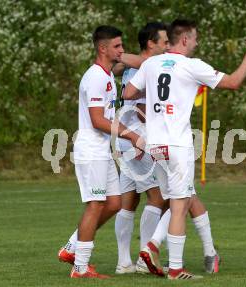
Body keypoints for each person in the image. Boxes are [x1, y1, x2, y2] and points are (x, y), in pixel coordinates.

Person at [123, 19, 246, 280]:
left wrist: (154, 101)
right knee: (180, 204)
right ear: (185, 39)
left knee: (179, 199)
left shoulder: (151, 64)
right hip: (178, 144)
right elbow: (233, 82)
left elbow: (129, 92)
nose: (197, 42)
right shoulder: (192, 66)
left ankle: (154, 245)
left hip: (155, 144)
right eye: (195, 38)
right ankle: (174, 267)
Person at [57, 25, 144, 279]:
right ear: (103, 48)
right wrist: (132, 135)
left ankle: (73, 246)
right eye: (117, 46)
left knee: (114, 203)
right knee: (95, 205)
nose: (121, 50)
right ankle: (80, 268)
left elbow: (107, 117)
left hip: (102, 149)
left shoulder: (107, 76)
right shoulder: (95, 77)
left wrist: (128, 140)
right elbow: (97, 120)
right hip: (91, 150)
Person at [114, 22, 169, 275]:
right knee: (159, 198)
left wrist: (119, 59)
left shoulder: (133, 67)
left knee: (129, 200)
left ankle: (124, 262)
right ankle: (144, 260)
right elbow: (142, 107)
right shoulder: (148, 66)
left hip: (126, 136)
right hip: (140, 138)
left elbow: (119, 68)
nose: (167, 46)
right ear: (151, 44)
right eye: (164, 42)